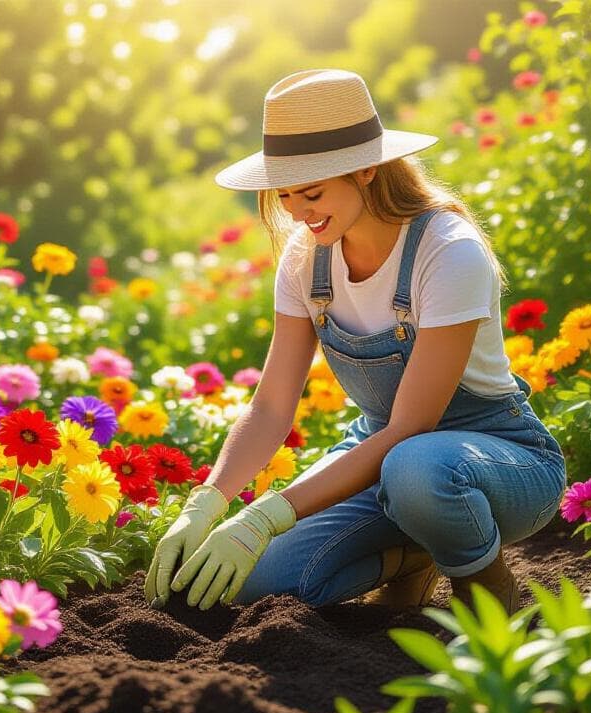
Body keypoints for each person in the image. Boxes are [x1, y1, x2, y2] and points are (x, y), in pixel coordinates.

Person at [144, 69, 567, 614]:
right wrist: (207, 503)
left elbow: (411, 427)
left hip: (498, 460)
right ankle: (412, 557)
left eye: (312, 192)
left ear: (367, 169)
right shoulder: (306, 259)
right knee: (246, 585)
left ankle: (485, 586)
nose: (297, 211)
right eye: (285, 194)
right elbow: (271, 407)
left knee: (417, 469)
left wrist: (266, 515)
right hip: (378, 457)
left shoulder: (448, 252)